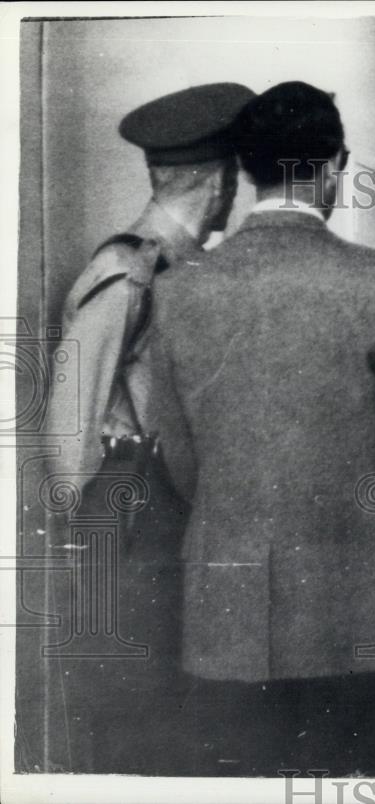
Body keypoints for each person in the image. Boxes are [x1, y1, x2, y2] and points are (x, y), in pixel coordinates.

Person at [145, 81, 375, 776]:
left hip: (232, 603)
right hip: (361, 600)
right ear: (334, 166)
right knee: (359, 774)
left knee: (246, 779)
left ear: (246, 171)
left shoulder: (180, 287)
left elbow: (177, 450)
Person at [42, 82, 254, 774]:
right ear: (219, 181)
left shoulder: (194, 269)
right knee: (140, 707)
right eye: (232, 181)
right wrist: (91, 546)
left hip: (179, 510)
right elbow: (70, 423)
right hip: (134, 508)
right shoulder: (129, 270)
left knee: (188, 705)